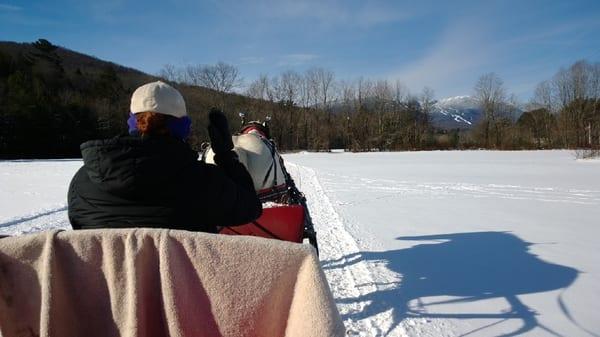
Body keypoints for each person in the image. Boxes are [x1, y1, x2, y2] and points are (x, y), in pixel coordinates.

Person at [68, 81, 262, 233]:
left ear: (133, 121)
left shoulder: (83, 182)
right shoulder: (204, 182)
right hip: (182, 284)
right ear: (182, 126)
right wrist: (226, 155)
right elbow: (251, 208)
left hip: (107, 284)